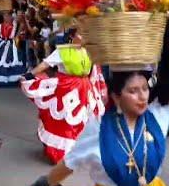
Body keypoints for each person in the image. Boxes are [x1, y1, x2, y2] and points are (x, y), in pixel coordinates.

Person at [25, 14, 169, 186]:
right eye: (133, 91)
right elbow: (70, 163)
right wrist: (42, 185)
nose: (142, 96)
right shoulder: (98, 128)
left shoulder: (158, 116)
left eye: (145, 88)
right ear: (116, 96)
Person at [20, 28, 108, 164]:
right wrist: (30, 75)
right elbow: (46, 64)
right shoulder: (63, 51)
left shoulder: (89, 51)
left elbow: (95, 71)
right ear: (72, 36)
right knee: (65, 123)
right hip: (66, 90)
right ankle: (63, 152)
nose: (85, 37)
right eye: (82, 34)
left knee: (84, 121)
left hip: (85, 90)